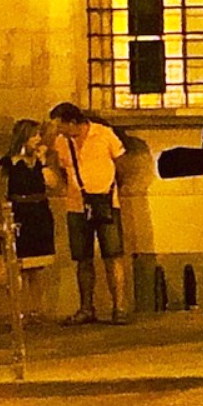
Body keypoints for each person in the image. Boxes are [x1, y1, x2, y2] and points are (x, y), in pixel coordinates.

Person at [49, 102, 128, 325]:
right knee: (82, 258)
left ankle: (119, 307)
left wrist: (113, 188)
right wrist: (69, 188)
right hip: (76, 206)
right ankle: (86, 308)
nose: (58, 130)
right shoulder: (62, 142)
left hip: (106, 202)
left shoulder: (103, 134)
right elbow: (59, 169)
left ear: (73, 122)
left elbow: (122, 164)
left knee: (113, 256)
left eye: (60, 125)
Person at [0, 120, 57, 324]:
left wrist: (43, 161)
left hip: (39, 213)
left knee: (37, 267)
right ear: (24, 137)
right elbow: (2, 193)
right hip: (19, 214)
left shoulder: (39, 162)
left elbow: (53, 183)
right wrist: (2, 221)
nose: (38, 139)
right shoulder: (9, 163)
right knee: (18, 266)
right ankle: (18, 310)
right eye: (34, 135)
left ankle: (36, 310)